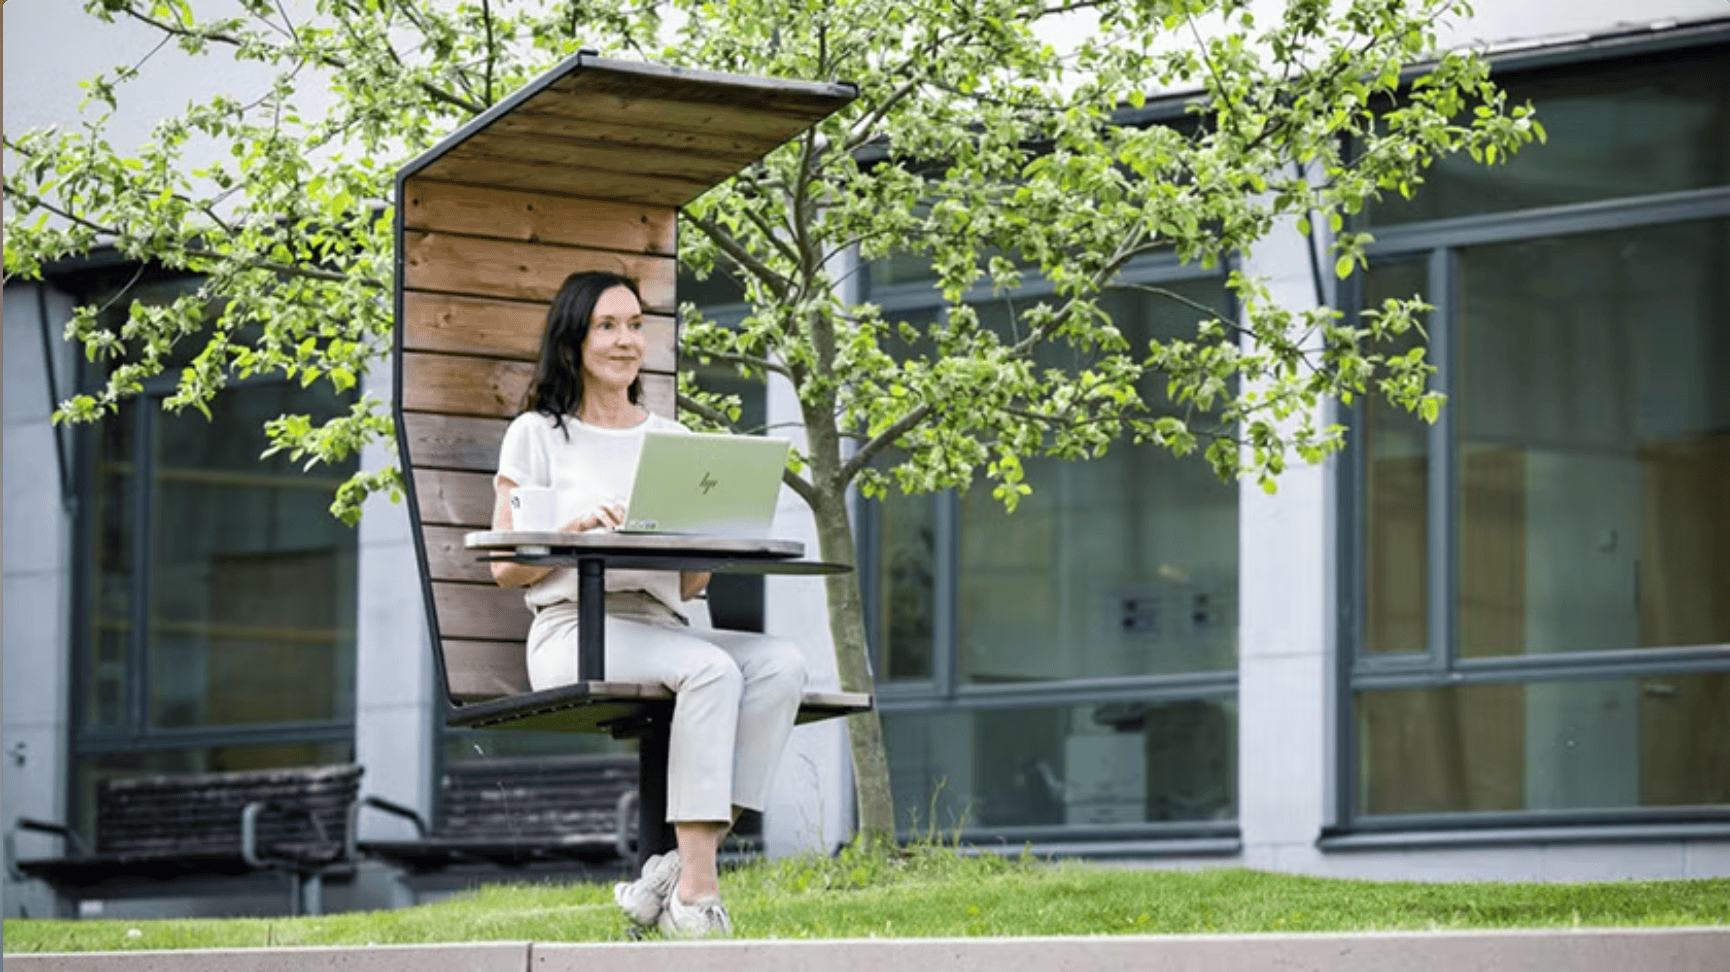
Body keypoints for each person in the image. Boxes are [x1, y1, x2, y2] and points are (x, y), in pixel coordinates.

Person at [490, 270, 808, 938]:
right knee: (711, 670)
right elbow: (505, 567)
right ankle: (696, 898)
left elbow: (689, 588)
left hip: (666, 625)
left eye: (635, 325)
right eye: (607, 326)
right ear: (574, 339)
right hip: (574, 631)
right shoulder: (537, 434)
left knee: (782, 664)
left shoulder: (673, 438)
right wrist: (573, 530)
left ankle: (670, 874)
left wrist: (711, 535)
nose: (626, 340)